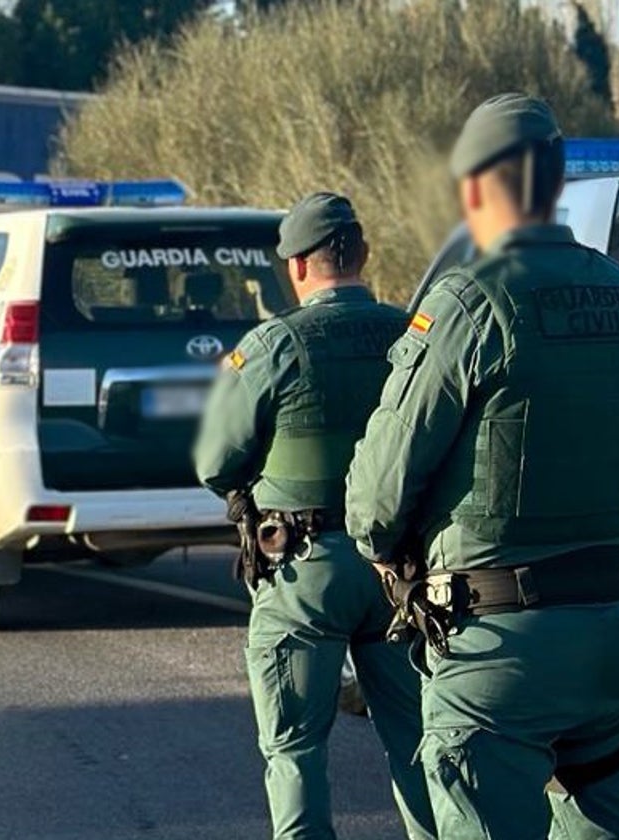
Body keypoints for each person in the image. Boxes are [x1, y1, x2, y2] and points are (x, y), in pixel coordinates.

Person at [345, 93, 619, 839]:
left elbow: (375, 498)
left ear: (479, 185)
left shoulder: (469, 301)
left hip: (498, 650)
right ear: (553, 182)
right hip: (610, 636)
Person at [193, 192, 435, 840]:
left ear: (298, 267)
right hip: (399, 572)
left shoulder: (276, 343)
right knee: (418, 741)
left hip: (304, 571)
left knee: (295, 747)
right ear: (365, 254)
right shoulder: (409, 333)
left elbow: (215, 463)